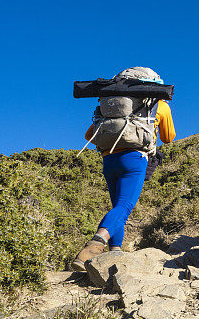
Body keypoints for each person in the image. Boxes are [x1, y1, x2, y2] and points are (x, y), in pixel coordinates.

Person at [71, 67, 175, 270]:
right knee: (124, 206)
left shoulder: (109, 104)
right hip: (134, 159)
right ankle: (93, 247)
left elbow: (88, 135)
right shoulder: (158, 105)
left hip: (108, 159)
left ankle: (114, 252)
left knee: (117, 207)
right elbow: (168, 138)